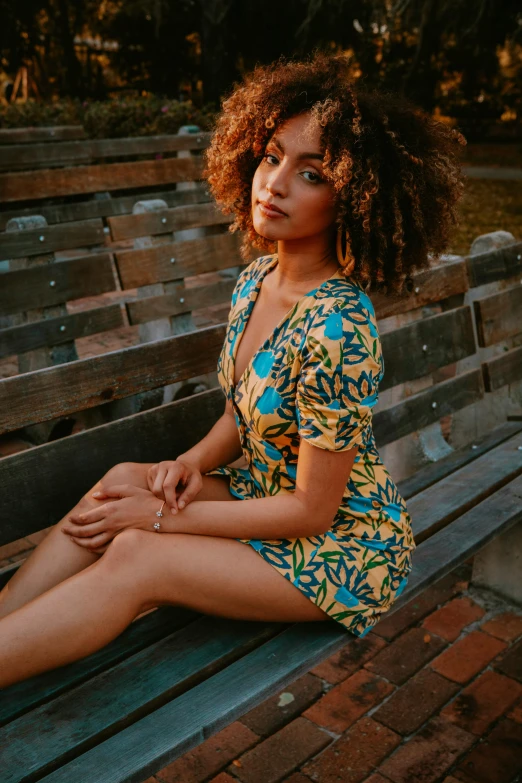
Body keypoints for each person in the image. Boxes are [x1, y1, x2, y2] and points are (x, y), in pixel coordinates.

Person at [0, 50, 466, 689]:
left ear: (354, 198)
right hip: (263, 498)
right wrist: (186, 467)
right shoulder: (257, 281)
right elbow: (236, 413)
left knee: (140, 554)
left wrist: (161, 518)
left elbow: (310, 512)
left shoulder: (340, 328)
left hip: (345, 552)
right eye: (273, 156)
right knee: (120, 484)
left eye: (312, 174)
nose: (275, 183)